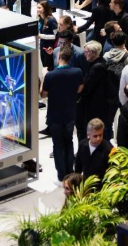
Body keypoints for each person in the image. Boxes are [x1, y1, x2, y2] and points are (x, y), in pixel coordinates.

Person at [41, 47, 84, 183]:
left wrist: (43, 76)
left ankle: (61, 176)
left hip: (55, 115)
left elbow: (43, 94)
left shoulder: (50, 75)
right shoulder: (77, 72)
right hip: (70, 113)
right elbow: (80, 89)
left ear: (59, 56)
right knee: (69, 141)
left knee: (58, 145)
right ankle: (70, 172)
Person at [77, 42, 108, 142]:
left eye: (86, 52)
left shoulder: (97, 68)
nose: (84, 54)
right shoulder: (99, 63)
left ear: (93, 53)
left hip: (94, 105)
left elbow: (87, 87)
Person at [74, 118, 113, 184]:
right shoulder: (82, 145)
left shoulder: (109, 148)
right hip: (86, 184)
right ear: (88, 135)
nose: (98, 138)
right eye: (95, 136)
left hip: (102, 186)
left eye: (100, 135)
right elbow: (78, 165)